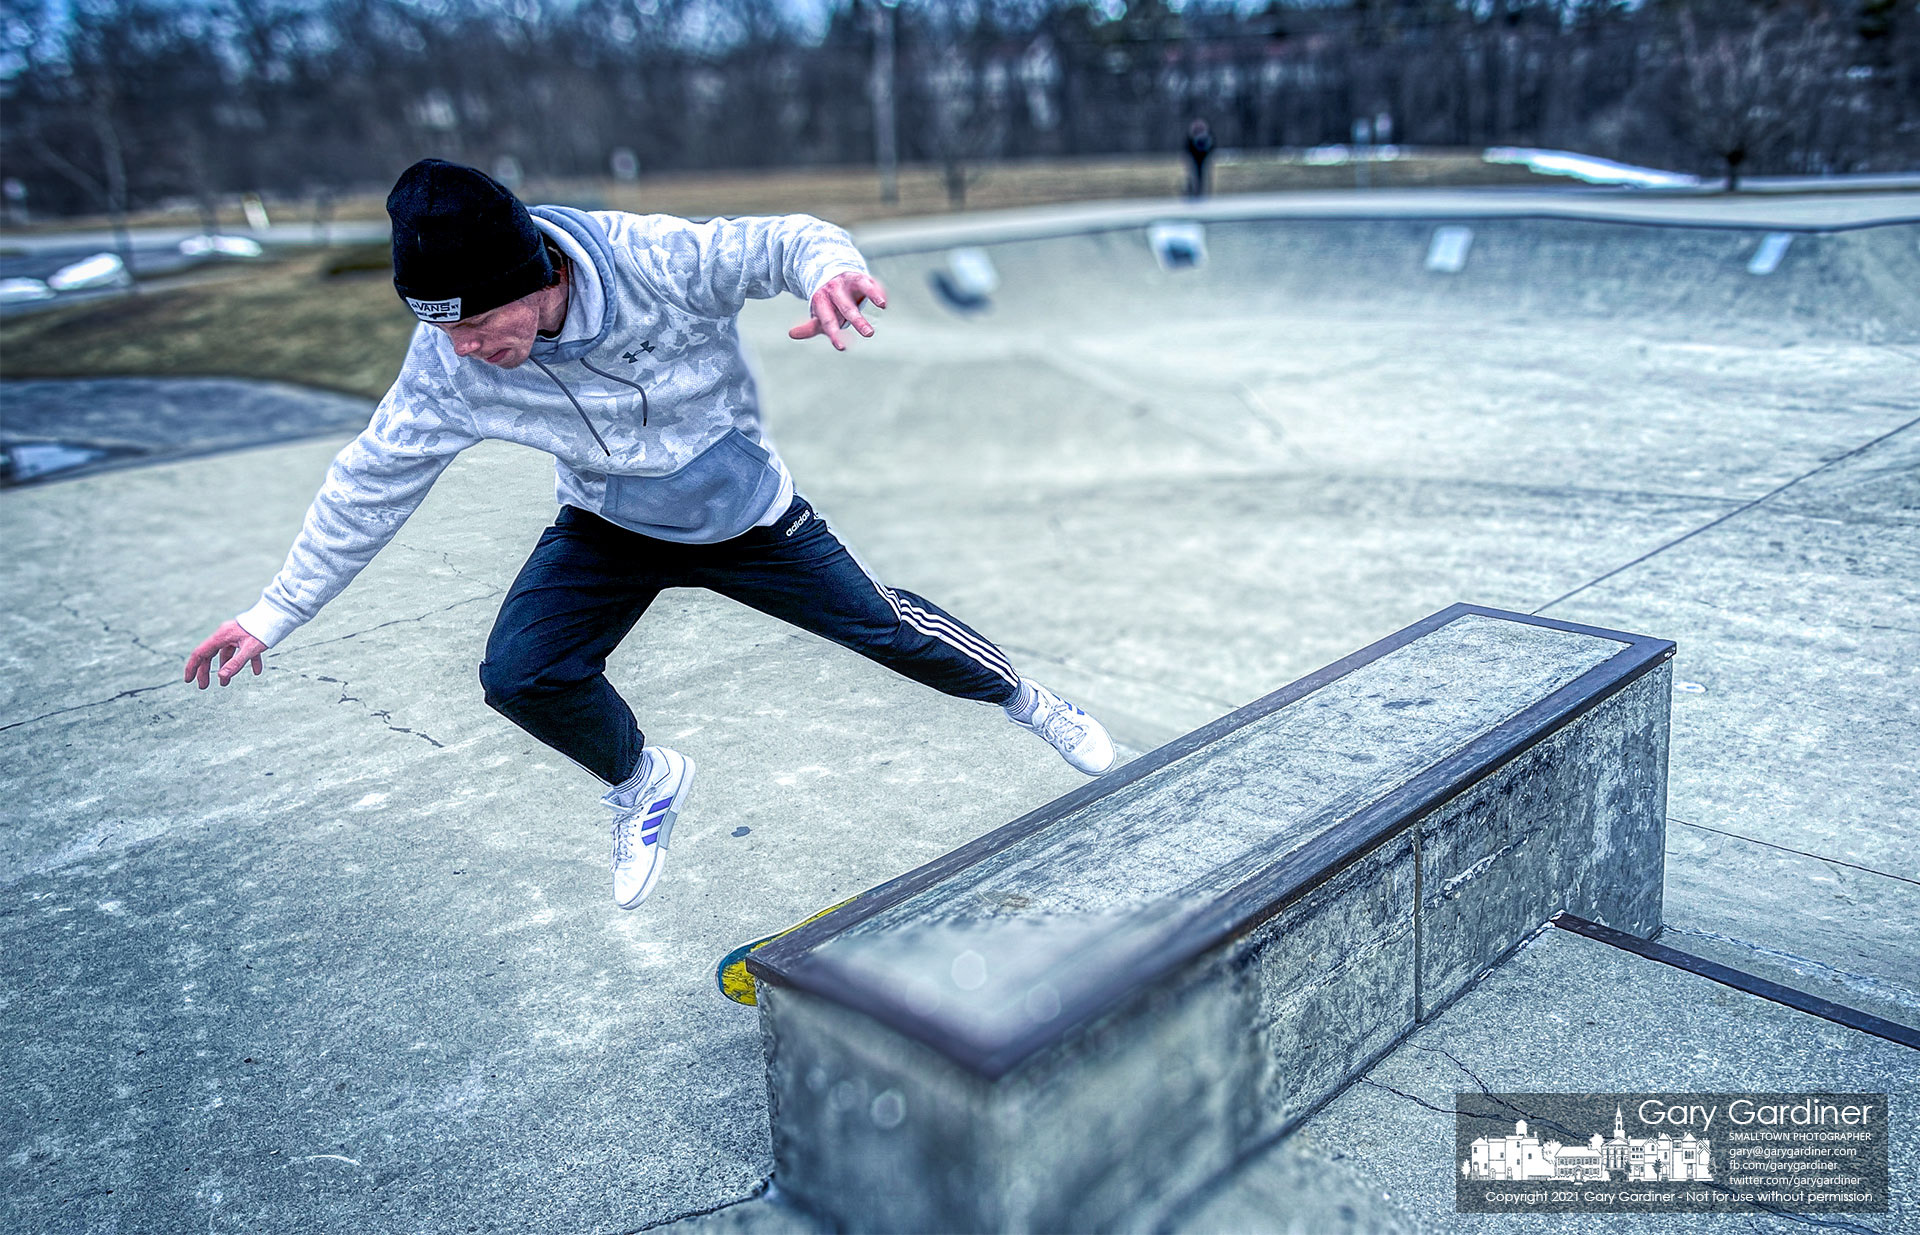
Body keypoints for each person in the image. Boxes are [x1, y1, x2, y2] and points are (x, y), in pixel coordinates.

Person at [183, 159, 1115, 911]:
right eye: (440, 328)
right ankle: (642, 780)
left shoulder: (650, 262)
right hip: (608, 523)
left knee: (890, 629)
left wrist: (827, 271)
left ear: (533, 276)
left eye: (475, 322)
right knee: (519, 674)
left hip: (743, 516)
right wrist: (273, 612)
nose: (462, 349)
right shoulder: (448, 363)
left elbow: (783, 239)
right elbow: (371, 479)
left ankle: (1028, 698)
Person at [1184, 119, 1215, 199]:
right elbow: (1188, 149)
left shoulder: (1208, 138)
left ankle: (1204, 194)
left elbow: (1211, 148)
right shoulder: (1191, 138)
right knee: (1194, 176)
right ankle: (1193, 193)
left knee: (1204, 176)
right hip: (1194, 159)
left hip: (1204, 159)